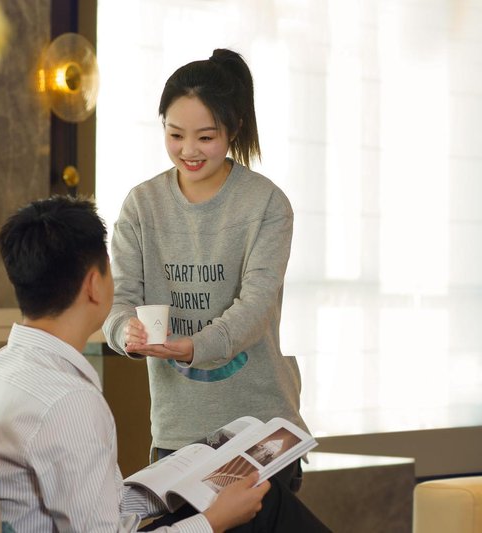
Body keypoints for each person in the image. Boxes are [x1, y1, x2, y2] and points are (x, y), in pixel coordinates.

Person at [0, 195, 328, 532]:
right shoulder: (69, 401)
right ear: (94, 285)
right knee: (265, 504)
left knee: (253, 497)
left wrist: (180, 482)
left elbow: (87, 503)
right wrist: (213, 521)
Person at [102, 48, 307, 489]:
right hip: (177, 432)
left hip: (260, 430)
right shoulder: (142, 205)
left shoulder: (266, 204)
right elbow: (120, 299)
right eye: (175, 135)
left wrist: (194, 347)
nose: (189, 150)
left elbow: (256, 307)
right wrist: (125, 333)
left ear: (234, 129)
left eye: (206, 137)